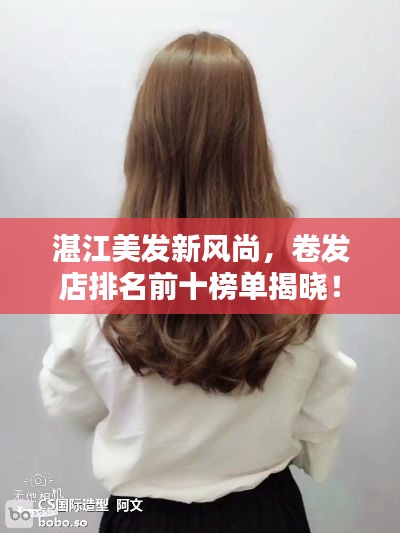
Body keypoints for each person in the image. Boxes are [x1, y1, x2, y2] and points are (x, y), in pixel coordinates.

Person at [39, 31, 357, 533]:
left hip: (142, 518)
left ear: (144, 142)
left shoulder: (92, 285)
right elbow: (319, 413)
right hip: (263, 514)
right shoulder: (299, 283)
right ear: (251, 144)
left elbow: (72, 404)